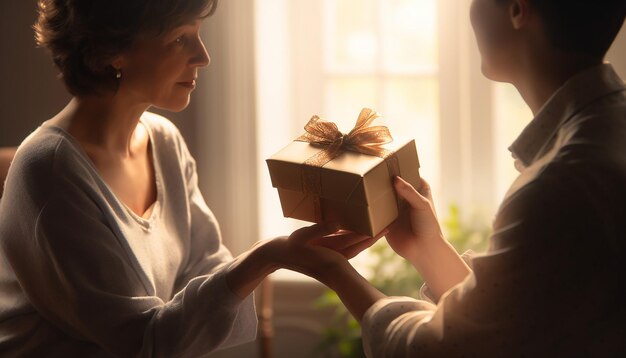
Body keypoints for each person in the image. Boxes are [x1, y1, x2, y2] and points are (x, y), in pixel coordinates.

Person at [0, 0, 380, 356]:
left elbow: (208, 272)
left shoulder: (163, 141)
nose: (203, 56)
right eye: (180, 39)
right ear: (109, 50)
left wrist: (275, 256)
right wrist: (269, 255)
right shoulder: (50, 171)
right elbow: (144, 343)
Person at [294, 0, 626, 356]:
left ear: (517, 10)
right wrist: (428, 248)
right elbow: (507, 319)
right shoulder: (604, 134)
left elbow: (439, 350)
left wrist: (329, 269)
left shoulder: (561, 183)